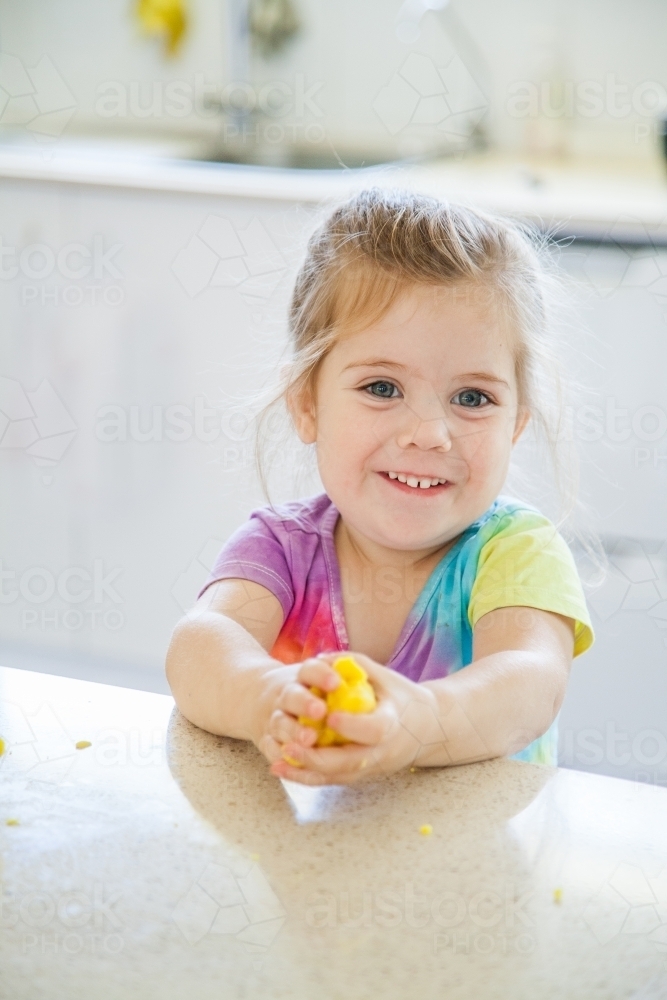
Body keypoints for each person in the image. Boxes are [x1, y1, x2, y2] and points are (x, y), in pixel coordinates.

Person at [166, 188, 594, 786]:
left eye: (473, 398)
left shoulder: (517, 552)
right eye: (382, 388)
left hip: (478, 867)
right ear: (307, 403)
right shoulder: (281, 547)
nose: (429, 434)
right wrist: (264, 697)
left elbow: (529, 682)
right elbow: (201, 646)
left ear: (517, 423)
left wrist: (418, 720)